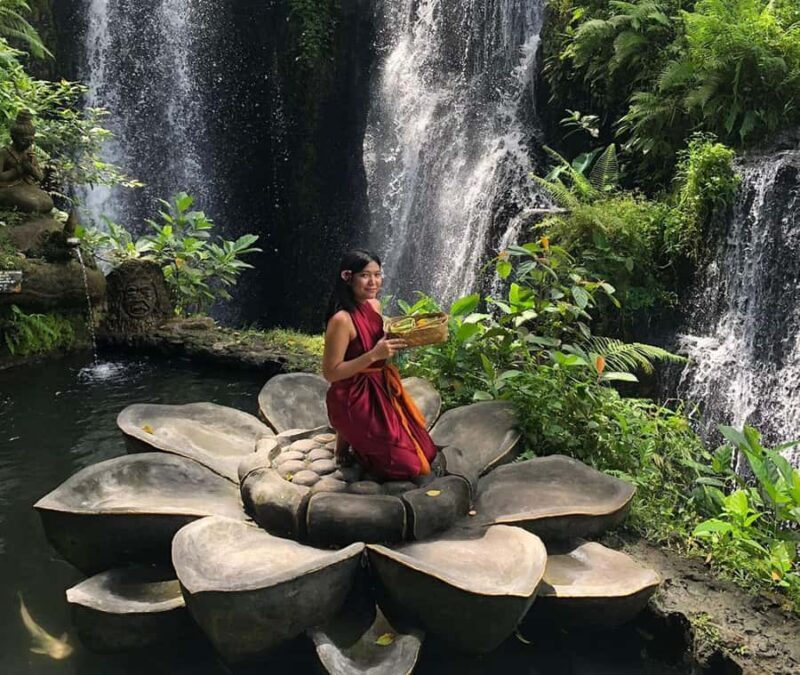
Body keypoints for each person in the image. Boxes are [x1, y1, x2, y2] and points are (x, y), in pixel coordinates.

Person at [322, 249, 437, 480]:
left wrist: (399, 340)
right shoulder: (341, 320)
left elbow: (376, 340)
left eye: (377, 274)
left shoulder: (374, 305)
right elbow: (330, 373)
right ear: (348, 278)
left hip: (380, 388)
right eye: (365, 275)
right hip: (353, 395)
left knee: (427, 452)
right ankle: (348, 434)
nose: (373, 282)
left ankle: (353, 437)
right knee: (407, 467)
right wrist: (374, 355)